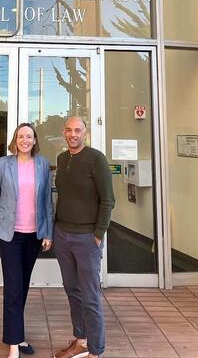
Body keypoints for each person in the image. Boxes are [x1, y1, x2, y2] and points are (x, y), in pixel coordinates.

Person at [0, 123, 54, 358]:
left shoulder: (43, 164)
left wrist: (48, 232)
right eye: (21, 136)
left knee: (23, 285)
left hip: (34, 235)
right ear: (15, 140)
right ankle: (14, 345)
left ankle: (18, 333)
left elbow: (47, 200)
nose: (25, 140)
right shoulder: (4, 164)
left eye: (29, 136)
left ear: (35, 141)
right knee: (13, 288)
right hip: (9, 235)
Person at [52, 117, 115, 358]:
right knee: (72, 291)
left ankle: (95, 351)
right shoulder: (62, 158)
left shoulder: (96, 159)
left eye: (77, 130)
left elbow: (108, 200)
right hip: (63, 235)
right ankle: (81, 341)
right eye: (69, 130)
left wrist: (98, 234)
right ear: (64, 132)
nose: (73, 134)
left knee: (90, 296)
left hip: (87, 238)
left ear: (85, 133)